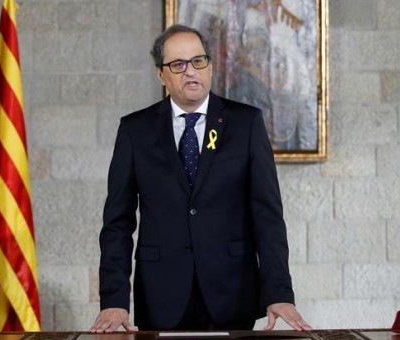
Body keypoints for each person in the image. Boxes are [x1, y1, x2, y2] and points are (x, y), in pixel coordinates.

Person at [90, 24, 311, 332]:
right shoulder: (134, 131)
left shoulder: (246, 123)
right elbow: (117, 222)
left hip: (232, 292)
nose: (190, 71)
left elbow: (268, 216)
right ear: (160, 74)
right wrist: (113, 299)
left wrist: (279, 292)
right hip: (160, 294)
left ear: (210, 65)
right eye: (177, 65)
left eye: (198, 61)